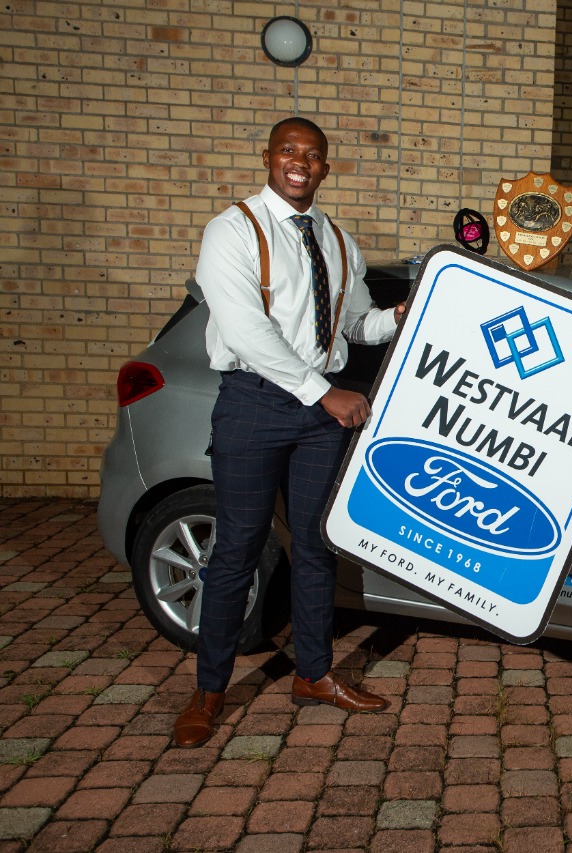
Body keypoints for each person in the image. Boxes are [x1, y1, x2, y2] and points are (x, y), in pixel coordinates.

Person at [173, 116, 406, 748]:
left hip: (317, 417)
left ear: (326, 167)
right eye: (288, 150)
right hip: (254, 404)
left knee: (315, 546)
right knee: (237, 551)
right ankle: (209, 691)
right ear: (269, 157)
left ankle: (314, 675)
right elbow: (246, 330)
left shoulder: (337, 238)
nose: (300, 162)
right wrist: (325, 393)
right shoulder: (231, 230)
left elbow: (353, 326)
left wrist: (399, 315)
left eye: (313, 155)